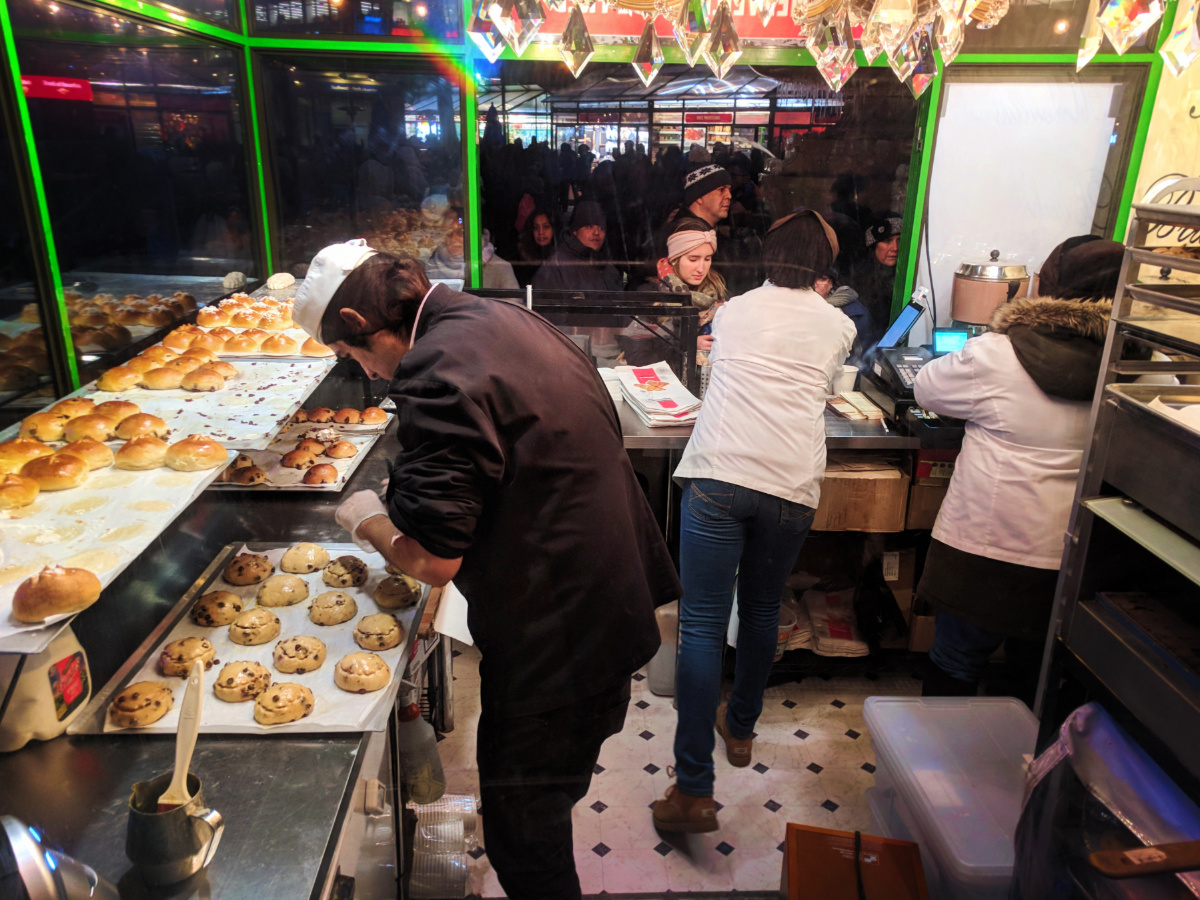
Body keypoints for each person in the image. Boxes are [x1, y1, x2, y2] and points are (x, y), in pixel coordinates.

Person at [292, 241, 679, 899]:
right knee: (546, 801)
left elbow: (434, 561)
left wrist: (364, 520)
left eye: (353, 356)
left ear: (360, 325)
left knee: (524, 841)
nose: (369, 373)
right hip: (611, 607)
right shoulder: (498, 318)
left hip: (558, 645)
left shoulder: (438, 371)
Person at [651, 211, 856, 832]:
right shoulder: (839, 325)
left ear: (768, 257)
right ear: (821, 268)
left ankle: (692, 790)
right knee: (765, 609)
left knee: (703, 625)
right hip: (790, 485)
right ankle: (740, 730)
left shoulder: (734, 309)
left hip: (719, 476)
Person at [913, 236, 1125, 706]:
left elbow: (926, 388)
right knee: (1037, 673)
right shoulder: (1132, 366)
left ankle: (943, 770)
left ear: (1047, 286)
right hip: (1071, 558)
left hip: (983, 551)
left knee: (955, 663)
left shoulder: (996, 354)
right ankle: (1020, 771)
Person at [533, 200, 624, 293]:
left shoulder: (609, 269)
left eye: (601, 228)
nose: (596, 233)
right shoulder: (556, 268)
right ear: (575, 231)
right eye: (589, 227)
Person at [850, 214, 901, 348]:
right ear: (872, 244)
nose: (895, 248)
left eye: (899, 240)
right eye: (887, 240)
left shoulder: (904, 278)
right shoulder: (856, 279)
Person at [814, 268, 871, 361]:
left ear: (831, 284)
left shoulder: (854, 312)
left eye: (821, 279)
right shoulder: (794, 305)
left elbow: (861, 353)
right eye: (811, 279)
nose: (815, 284)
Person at [514, 207, 557, 287]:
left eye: (546, 227)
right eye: (536, 228)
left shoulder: (562, 258)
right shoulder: (522, 258)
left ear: (554, 229)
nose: (541, 232)